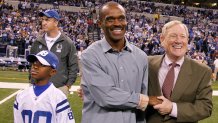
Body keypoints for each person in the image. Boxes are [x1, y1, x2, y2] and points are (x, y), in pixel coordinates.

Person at [80, 2, 149, 123]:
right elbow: (106, 97)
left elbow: (143, 102)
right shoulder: (90, 56)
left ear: (126, 21)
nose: (117, 23)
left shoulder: (141, 57)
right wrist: (142, 100)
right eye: (110, 20)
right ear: (100, 23)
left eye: (121, 18)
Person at [146, 20, 213, 123]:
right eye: (173, 36)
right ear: (162, 39)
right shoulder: (147, 63)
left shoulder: (202, 71)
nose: (178, 41)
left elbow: (205, 107)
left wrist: (172, 108)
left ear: (188, 40)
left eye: (183, 36)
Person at [13, 50, 75, 123]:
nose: (35, 66)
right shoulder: (21, 96)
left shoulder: (59, 98)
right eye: (34, 63)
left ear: (52, 72)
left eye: (42, 64)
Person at [30, 9, 78, 96]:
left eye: (47, 20)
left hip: (59, 88)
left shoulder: (67, 42)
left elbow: (73, 66)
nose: (43, 23)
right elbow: (32, 64)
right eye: (43, 20)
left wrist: (67, 86)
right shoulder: (37, 42)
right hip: (37, 87)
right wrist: (32, 81)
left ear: (56, 23)